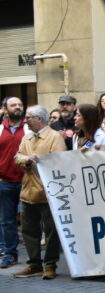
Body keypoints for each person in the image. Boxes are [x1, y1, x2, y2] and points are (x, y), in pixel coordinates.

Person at [12, 105, 66, 279]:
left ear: (39, 119)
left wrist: (40, 161)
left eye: (29, 117)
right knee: (29, 230)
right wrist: (27, 160)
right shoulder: (26, 138)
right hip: (27, 191)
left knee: (51, 231)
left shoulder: (54, 137)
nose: (25, 119)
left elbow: (59, 161)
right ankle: (34, 264)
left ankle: (50, 265)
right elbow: (17, 157)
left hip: (47, 193)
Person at [0, 97, 26, 269]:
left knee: (30, 222)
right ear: (5, 109)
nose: (17, 107)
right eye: (13, 105)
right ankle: (10, 254)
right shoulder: (0, 128)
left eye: (20, 105)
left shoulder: (31, 128)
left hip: (28, 182)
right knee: (7, 221)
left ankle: (35, 259)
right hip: (5, 182)